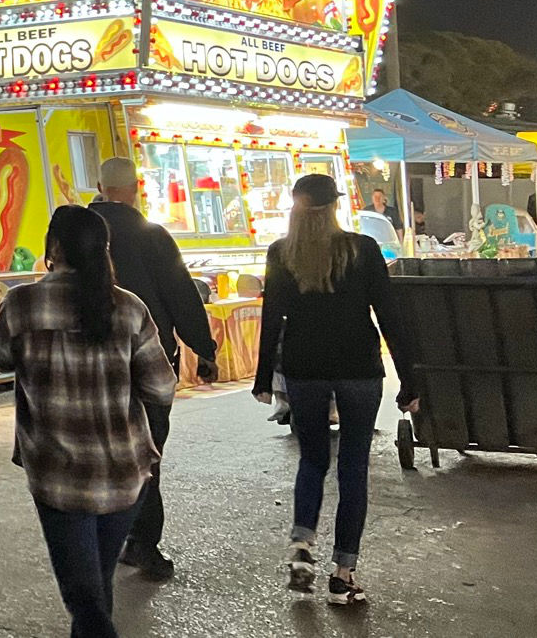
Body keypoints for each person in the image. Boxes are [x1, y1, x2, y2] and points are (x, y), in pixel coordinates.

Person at [0, 206, 176, 638]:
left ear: (54, 247)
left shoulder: (23, 304)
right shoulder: (128, 308)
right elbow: (162, 389)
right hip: (126, 474)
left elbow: (0, 358)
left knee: (86, 600)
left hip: (58, 474)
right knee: (95, 589)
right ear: (103, 250)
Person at [252, 174, 418, 606]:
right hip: (359, 369)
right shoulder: (362, 250)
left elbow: (272, 320)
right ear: (334, 206)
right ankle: (343, 574)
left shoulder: (281, 253)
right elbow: (390, 318)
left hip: (304, 369)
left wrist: (262, 378)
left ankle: (302, 543)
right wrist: (409, 382)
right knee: (352, 468)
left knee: (311, 459)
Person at [88, 157, 218, 581]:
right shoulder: (153, 236)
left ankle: (97, 540)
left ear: (99, 186)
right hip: (149, 361)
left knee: (95, 452)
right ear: (136, 187)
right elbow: (181, 293)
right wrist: (205, 349)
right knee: (146, 453)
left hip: (89, 362)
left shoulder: (77, 231)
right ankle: (143, 543)